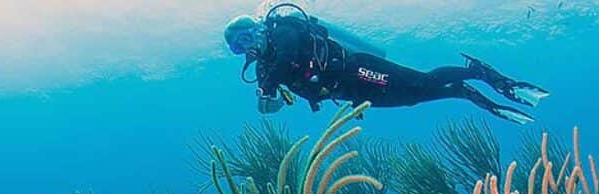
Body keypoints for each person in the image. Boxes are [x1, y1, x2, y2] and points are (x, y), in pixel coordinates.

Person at [224, 4, 549, 123]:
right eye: (239, 46)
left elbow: (287, 55)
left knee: (420, 82)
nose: (247, 44)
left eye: (247, 35)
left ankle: (477, 71)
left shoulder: (284, 30)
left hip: (357, 69)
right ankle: (461, 91)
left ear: (259, 27)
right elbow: (270, 106)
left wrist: (267, 86)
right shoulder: (263, 69)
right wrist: (267, 102)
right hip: (348, 93)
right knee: (411, 98)